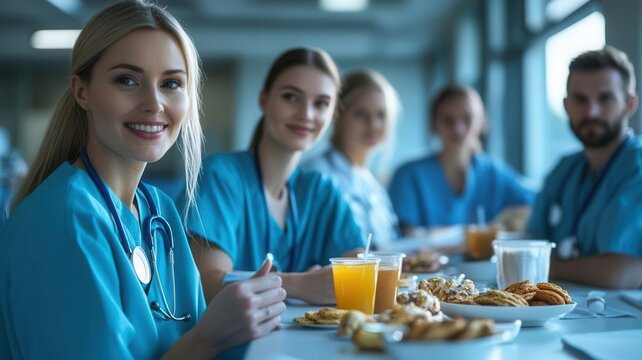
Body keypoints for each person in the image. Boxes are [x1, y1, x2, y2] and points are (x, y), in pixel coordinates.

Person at [0, 1, 285, 358]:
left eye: (171, 83)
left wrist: (241, 321)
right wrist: (211, 336)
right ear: (82, 91)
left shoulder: (159, 210)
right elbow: (198, 342)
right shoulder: (63, 222)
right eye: (127, 80)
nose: (153, 103)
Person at [181, 48, 365, 305]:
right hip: (231, 343)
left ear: (332, 114)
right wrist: (299, 284)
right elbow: (209, 284)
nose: (306, 114)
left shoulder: (320, 190)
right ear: (264, 100)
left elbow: (361, 267)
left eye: (321, 103)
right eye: (291, 97)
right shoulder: (221, 176)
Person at [527, 46, 642, 289]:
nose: (591, 111)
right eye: (580, 100)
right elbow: (530, 240)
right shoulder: (564, 170)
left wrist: (548, 265)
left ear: (629, 104)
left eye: (605, 98)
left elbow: (621, 274)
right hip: (564, 312)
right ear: (567, 106)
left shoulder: (637, 168)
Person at [388, 85, 534, 237]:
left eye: (467, 119)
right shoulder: (408, 175)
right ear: (433, 124)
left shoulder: (494, 173)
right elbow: (405, 236)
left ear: (482, 123)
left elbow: (534, 204)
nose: (458, 129)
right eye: (448, 120)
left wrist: (506, 222)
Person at [303, 69, 400, 246]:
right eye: (361, 114)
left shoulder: (373, 184)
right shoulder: (316, 174)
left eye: (381, 115)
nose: (374, 124)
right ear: (337, 116)